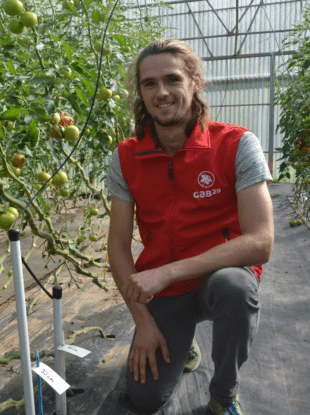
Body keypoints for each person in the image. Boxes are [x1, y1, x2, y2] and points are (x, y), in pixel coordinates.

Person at [106, 38, 274, 415]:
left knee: (236, 288)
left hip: (218, 276)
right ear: (141, 92)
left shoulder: (236, 144)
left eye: (172, 79)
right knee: (146, 399)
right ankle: (183, 342)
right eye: (149, 83)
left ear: (195, 81)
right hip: (167, 294)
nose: (161, 92)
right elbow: (117, 246)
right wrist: (143, 322)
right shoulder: (126, 156)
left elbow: (261, 242)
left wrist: (166, 272)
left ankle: (223, 395)